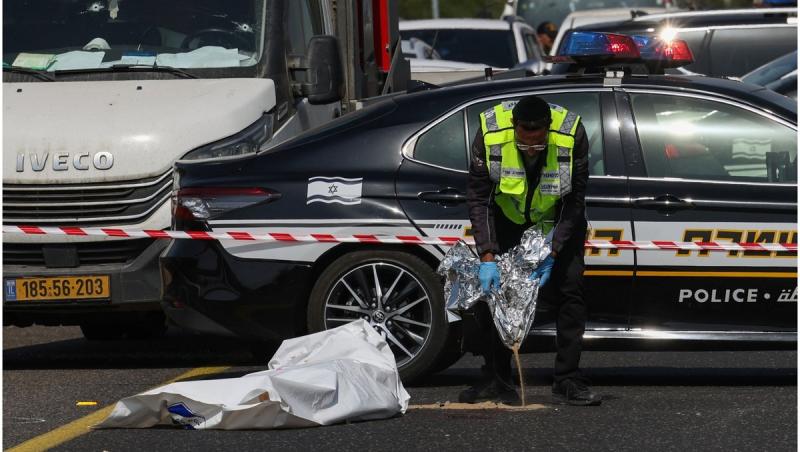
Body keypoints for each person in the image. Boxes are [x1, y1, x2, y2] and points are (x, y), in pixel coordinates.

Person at [461, 95, 601, 406]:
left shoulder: (572, 134)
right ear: (514, 127)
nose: (532, 150)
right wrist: (488, 255)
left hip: (556, 220)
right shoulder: (490, 132)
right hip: (507, 218)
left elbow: (574, 199)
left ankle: (567, 379)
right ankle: (497, 378)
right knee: (495, 297)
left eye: (539, 144)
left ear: (549, 130)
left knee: (571, 291)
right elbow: (479, 198)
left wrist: (553, 250)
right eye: (525, 144)